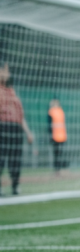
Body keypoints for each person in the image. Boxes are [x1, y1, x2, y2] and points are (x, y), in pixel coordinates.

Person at [0, 63, 34, 195]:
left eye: (7, 71)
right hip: (2, 126)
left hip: (15, 129)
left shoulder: (12, 92)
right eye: (4, 71)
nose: (6, 73)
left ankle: (15, 185)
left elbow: (20, 116)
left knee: (15, 159)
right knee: (1, 158)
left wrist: (28, 132)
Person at [48, 99, 67, 174]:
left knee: (56, 153)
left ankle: (57, 169)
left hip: (55, 136)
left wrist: (50, 135)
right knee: (60, 153)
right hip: (62, 136)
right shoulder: (61, 111)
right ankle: (61, 169)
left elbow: (49, 125)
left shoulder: (51, 112)